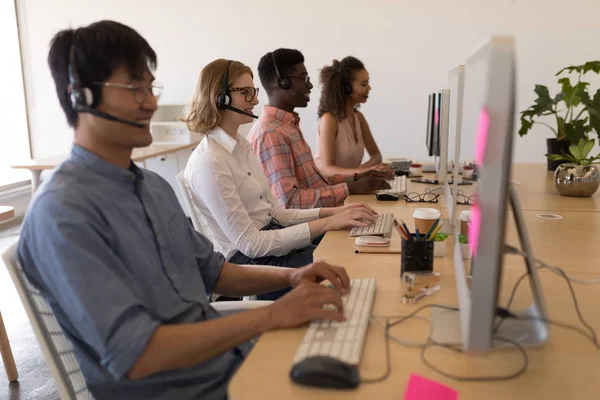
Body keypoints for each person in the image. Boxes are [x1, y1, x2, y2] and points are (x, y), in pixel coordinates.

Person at [18, 21, 350, 400]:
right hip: (185, 390)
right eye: (134, 89)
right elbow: (138, 354)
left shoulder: (151, 187)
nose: (152, 102)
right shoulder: (63, 213)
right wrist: (273, 315)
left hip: (223, 364)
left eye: (150, 87)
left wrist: (295, 277)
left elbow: (215, 272)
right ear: (81, 97)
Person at [180, 59, 376, 299]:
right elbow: (251, 244)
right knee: (346, 265)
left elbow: (277, 213)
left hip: (273, 243)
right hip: (250, 263)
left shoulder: (241, 146)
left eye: (254, 92)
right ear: (220, 98)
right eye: (246, 93)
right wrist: (326, 223)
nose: (255, 101)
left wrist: (333, 214)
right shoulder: (210, 161)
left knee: (348, 250)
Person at [247, 48, 393, 210]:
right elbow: (289, 202)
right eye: (303, 78)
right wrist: (351, 188)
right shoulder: (270, 133)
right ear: (282, 82)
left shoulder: (288, 126)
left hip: (318, 216)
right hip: (305, 229)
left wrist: (358, 176)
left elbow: (316, 183)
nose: (309, 85)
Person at [315, 56, 392, 176]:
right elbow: (327, 170)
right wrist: (362, 172)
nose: (369, 88)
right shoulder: (329, 120)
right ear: (346, 88)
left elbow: (376, 155)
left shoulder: (358, 117)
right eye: (363, 84)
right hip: (328, 187)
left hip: (350, 185)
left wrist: (364, 170)